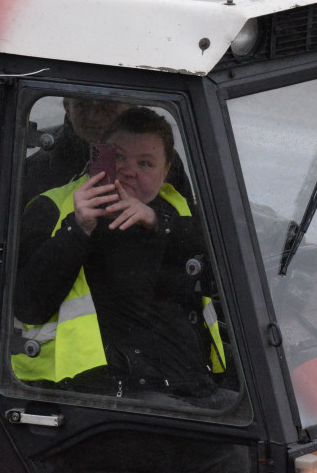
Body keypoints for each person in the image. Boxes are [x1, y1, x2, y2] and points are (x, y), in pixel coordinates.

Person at [13, 107, 225, 398]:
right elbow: (27, 307)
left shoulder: (176, 208)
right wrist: (78, 229)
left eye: (146, 164)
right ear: (97, 157)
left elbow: (225, 273)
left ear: (166, 173)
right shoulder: (53, 207)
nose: (128, 171)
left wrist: (155, 221)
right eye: (119, 157)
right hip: (93, 389)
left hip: (185, 379)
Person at [22, 96, 193, 206]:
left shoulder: (158, 159)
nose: (93, 116)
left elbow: (188, 225)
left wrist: (156, 222)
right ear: (68, 107)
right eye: (83, 105)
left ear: (131, 105)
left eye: (106, 105)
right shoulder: (38, 170)